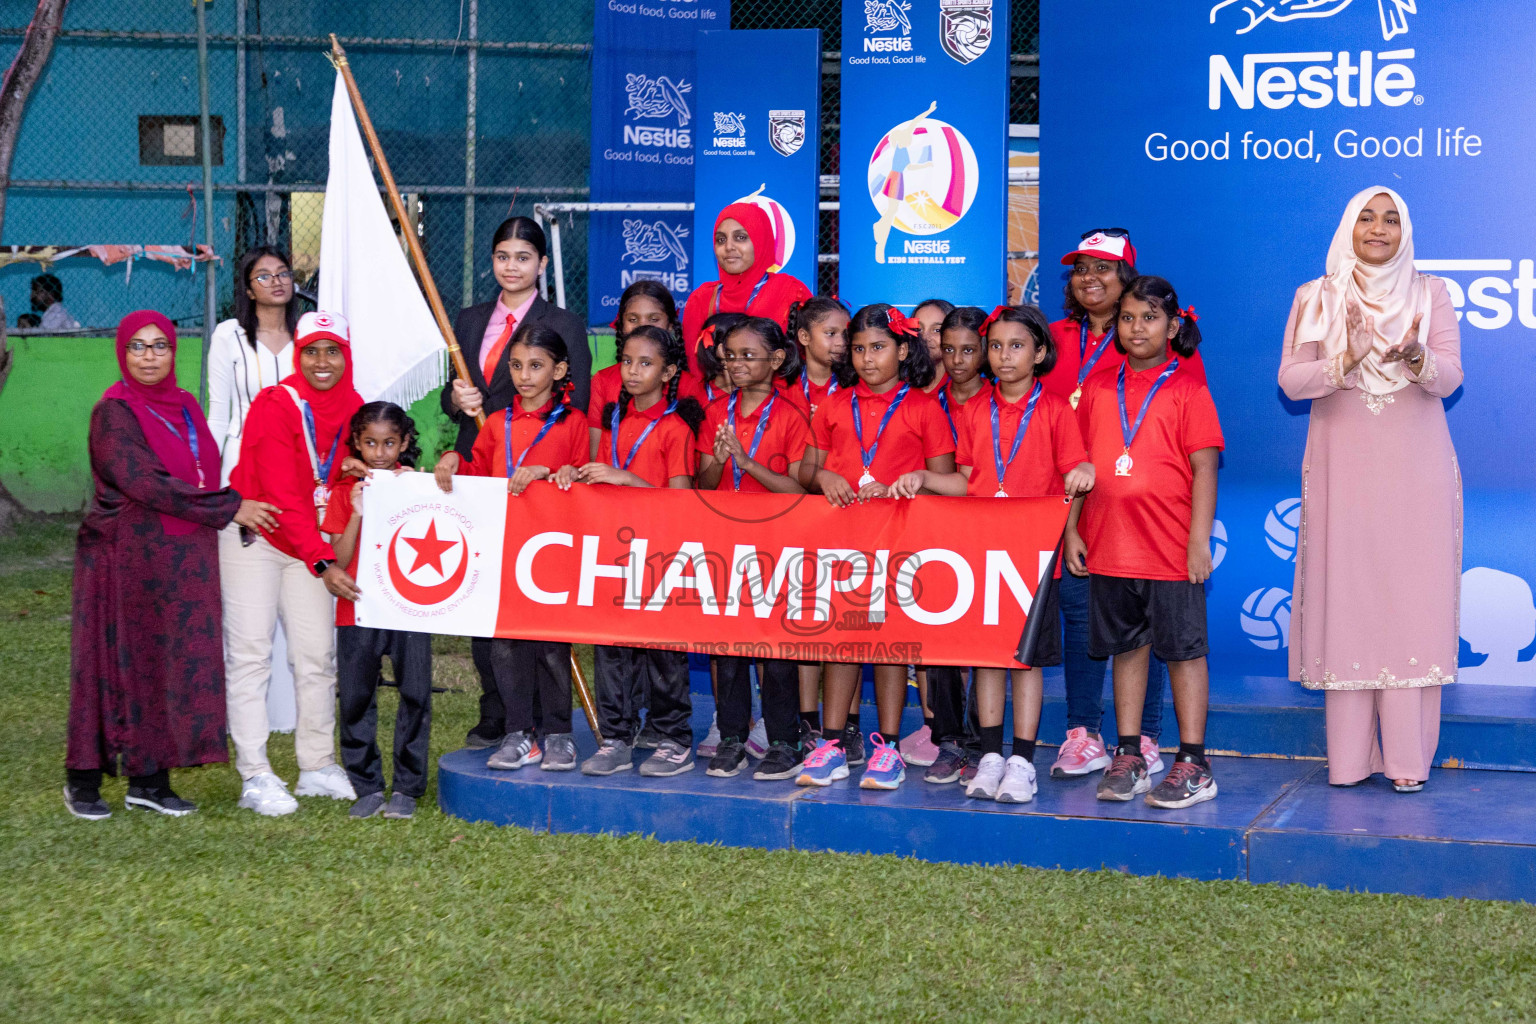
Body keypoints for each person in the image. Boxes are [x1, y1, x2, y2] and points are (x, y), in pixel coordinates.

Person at [1278, 186, 1463, 792]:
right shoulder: (1317, 296)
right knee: (1350, 598)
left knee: (1410, 601)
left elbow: (1450, 375)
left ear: (1404, 230)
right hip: (1344, 468)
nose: (1378, 229)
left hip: (1416, 468)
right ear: (1348, 228)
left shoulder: (1430, 292)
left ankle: (1408, 763)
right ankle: (1350, 764)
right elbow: (1291, 380)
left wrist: (1415, 358)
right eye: (1366, 218)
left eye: (1390, 219)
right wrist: (1344, 359)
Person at [64, 311, 280, 820]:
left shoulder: (184, 405)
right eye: (137, 347)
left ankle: (150, 780)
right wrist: (230, 507)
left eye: (160, 346)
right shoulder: (112, 413)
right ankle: (84, 778)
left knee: (171, 665)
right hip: (124, 558)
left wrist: (230, 502)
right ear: (122, 353)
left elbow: (201, 471)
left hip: (182, 557)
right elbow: (145, 483)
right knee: (116, 663)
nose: (149, 356)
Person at [893, 304, 1093, 802]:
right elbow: (966, 480)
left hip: (1033, 555)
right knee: (986, 656)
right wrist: (924, 480)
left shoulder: (1054, 410)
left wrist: (1081, 485)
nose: (1005, 356)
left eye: (1018, 346)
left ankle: (1022, 760)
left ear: (1040, 352)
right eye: (998, 346)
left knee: (1026, 661)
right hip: (983, 549)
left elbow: (1076, 471)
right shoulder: (972, 410)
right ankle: (989, 754)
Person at [1065, 276, 1223, 810]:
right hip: (1110, 545)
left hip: (1171, 548)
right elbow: (1081, 467)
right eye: (1128, 318)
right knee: (1126, 650)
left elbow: (1205, 469)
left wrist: (1198, 540)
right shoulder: (1100, 387)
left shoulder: (1187, 388)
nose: (1136, 328)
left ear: (1173, 326)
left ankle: (1194, 761)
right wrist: (1072, 530)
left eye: (1149, 318)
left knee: (1182, 653)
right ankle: (1129, 753)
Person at [1047, 229, 1198, 782]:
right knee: (1082, 618)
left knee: (1146, 622)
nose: (1090, 277)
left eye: (1104, 268)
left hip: (1143, 515)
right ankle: (1083, 734)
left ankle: (1145, 739)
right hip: (1072, 503)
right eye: (1081, 267)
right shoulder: (1054, 336)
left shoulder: (1156, 344)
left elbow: (1189, 439)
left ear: (1129, 280)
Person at [441, 216, 591, 750]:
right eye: (502, 256)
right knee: (490, 611)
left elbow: (580, 404)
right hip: (484, 467)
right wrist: (458, 402)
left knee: (543, 620)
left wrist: (552, 464)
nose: (512, 266)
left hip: (544, 476)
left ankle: (550, 725)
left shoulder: (564, 323)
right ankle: (503, 715)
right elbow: (451, 393)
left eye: (523, 257)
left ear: (541, 264)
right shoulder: (469, 318)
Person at [797, 304, 956, 791]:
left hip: (902, 542)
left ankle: (888, 747)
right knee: (841, 639)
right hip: (842, 541)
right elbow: (805, 472)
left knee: (890, 645)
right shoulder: (833, 404)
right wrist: (824, 475)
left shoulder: (924, 408)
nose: (867, 359)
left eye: (879, 348)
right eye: (860, 348)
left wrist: (903, 486)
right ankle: (833, 743)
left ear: (903, 350)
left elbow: (946, 480)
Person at [223, 311, 364, 816]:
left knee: (315, 656)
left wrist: (354, 473)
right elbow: (284, 494)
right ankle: (255, 773)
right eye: (311, 350)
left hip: (308, 547)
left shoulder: (356, 408)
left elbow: (346, 485)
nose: (322, 362)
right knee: (251, 655)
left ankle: (317, 764)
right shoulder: (275, 403)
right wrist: (324, 562)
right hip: (258, 537)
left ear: (346, 355)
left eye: (332, 350)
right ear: (297, 354)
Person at [558, 325, 703, 777]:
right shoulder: (615, 419)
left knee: (663, 651)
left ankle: (674, 739)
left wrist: (628, 480)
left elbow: (681, 498)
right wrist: (573, 472)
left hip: (661, 553)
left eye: (646, 363)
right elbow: (598, 475)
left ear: (669, 372)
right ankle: (616, 738)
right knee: (611, 647)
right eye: (627, 362)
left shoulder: (676, 426)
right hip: (616, 550)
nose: (633, 371)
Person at [695, 316, 813, 781]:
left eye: (749, 355)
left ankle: (784, 741)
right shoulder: (713, 414)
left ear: (777, 360)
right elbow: (703, 485)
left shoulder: (792, 415)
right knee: (726, 647)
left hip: (776, 545)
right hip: (724, 542)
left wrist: (747, 463)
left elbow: (797, 492)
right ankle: (730, 737)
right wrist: (720, 463)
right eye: (730, 355)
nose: (736, 363)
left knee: (776, 648)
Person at [322, 402, 432, 820]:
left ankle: (407, 786)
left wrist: (418, 488)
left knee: (415, 693)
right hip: (358, 609)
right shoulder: (341, 493)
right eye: (370, 443)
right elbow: (339, 556)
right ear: (356, 444)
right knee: (355, 697)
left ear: (404, 442)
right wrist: (355, 512)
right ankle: (366, 784)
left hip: (409, 609)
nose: (380, 453)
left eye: (389, 443)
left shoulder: (417, 486)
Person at [903, 304, 994, 779]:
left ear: (986, 351)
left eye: (968, 350)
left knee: (984, 642)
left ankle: (982, 742)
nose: (956, 359)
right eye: (949, 348)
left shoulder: (999, 403)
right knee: (937, 640)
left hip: (989, 535)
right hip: (934, 536)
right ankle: (947, 740)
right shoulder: (922, 400)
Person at [206, 247, 303, 486]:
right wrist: (204, 472)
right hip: (242, 460)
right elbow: (218, 418)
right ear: (248, 291)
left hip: (298, 461)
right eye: (263, 276)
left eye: (283, 274)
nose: (276, 281)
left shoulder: (309, 336)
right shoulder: (228, 335)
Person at [679, 202, 812, 354]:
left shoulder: (791, 292)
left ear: (760, 241)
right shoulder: (701, 299)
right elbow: (693, 368)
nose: (729, 247)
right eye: (721, 240)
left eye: (740, 237)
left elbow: (807, 359)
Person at [588, 281, 707, 449]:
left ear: (670, 324)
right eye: (633, 319)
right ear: (621, 325)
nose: (643, 326)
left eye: (654, 319)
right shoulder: (603, 380)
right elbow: (596, 455)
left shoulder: (690, 385)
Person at [788, 296, 849, 416]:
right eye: (831, 333)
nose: (841, 342)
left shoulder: (853, 385)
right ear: (804, 337)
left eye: (846, 334)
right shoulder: (783, 387)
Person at [912, 297, 955, 396]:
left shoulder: (962, 389)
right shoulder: (900, 387)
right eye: (919, 330)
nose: (925, 337)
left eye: (936, 330)